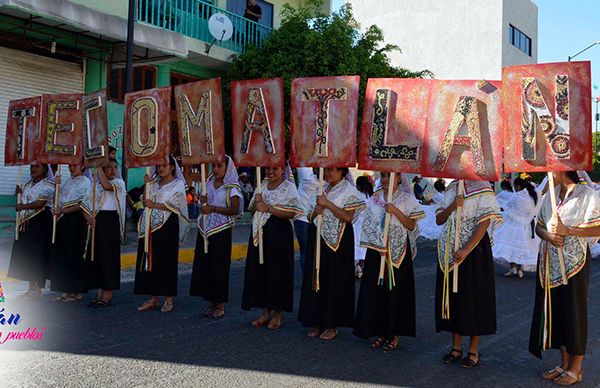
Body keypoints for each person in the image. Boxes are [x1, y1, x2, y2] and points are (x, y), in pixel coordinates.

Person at [529, 171, 600, 386]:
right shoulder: (551, 194)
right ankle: (564, 363)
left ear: (561, 171)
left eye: (551, 171)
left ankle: (576, 368)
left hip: (574, 264)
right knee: (557, 311)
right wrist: (549, 235)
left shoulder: (587, 195)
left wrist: (567, 230)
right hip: (550, 264)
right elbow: (538, 225)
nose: (548, 175)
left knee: (574, 312)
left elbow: (598, 227)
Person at [354, 172, 424, 351]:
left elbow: (411, 225)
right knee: (377, 291)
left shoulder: (407, 199)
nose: (385, 179)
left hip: (398, 251)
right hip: (377, 251)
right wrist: (378, 240)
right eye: (383, 176)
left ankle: (393, 333)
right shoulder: (375, 198)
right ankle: (380, 331)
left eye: (389, 176)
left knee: (395, 291)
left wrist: (395, 211)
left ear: (399, 177)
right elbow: (368, 222)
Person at [435, 180, 502, 368]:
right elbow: (439, 219)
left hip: (474, 251)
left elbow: (484, 222)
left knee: (474, 299)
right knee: (454, 297)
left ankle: (473, 351)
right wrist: (452, 206)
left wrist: (466, 249)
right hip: (449, 250)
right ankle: (456, 348)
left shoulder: (483, 189)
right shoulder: (451, 188)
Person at [298, 167, 365, 340]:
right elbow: (310, 216)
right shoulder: (321, 188)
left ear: (342, 171)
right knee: (317, 278)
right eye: (326, 170)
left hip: (339, 241)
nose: (328, 174)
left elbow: (348, 217)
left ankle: (332, 323)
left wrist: (327, 204)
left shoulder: (350, 191)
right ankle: (317, 320)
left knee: (334, 280)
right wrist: (316, 211)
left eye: (332, 170)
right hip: (317, 238)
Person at [242, 166, 304, 330]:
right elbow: (253, 207)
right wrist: (258, 203)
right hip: (260, 233)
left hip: (279, 233)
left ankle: (277, 314)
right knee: (260, 270)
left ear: (283, 169)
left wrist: (269, 208)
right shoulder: (262, 186)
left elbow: (294, 212)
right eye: (268, 169)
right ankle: (264, 312)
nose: (271, 172)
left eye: (275, 169)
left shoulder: (289, 187)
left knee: (278, 271)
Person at [190, 156, 243, 319]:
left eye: (220, 166)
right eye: (215, 165)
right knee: (206, 265)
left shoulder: (231, 188)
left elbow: (234, 209)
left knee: (219, 266)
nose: (216, 169)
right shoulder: (209, 184)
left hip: (221, 230)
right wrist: (204, 203)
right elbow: (203, 206)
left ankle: (220, 304)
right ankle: (211, 301)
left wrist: (213, 208)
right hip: (205, 228)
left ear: (228, 168)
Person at [134, 155, 189, 313]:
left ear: (172, 167)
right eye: (158, 166)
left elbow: (176, 205)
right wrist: (147, 185)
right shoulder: (153, 183)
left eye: (165, 165)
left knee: (166, 262)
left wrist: (155, 204)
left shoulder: (177, 184)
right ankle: (153, 298)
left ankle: (168, 299)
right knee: (150, 260)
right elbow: (145, 201)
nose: (161, 168)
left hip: (167, 226)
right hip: (150, 226)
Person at [82, 158, 126, 308]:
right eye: (108, 167)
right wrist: (88, 218)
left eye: (115, 167)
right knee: (98, 256)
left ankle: (107, 295)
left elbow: (107, 186)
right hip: (98, 220)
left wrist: (97, 166)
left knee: (109, 257)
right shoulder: (95, 185)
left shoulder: (119, 183)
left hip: (111, 222)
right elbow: (85, 204)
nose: (112, 170)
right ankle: (99, 293)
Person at [8, 164, 55, 299]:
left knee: (38, 254)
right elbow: (25, 198)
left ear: (45, 169)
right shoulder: (28, 184)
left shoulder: (49, 184)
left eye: (38, 166)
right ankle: (30, 287)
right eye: (32, 166)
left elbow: (40, 203)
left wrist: (23, 206)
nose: (33, 169)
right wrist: (20, 193)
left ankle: (37, 288)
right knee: (27, 255)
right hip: (26, 222)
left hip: (40, 222)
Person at [50, 165, 91, 303]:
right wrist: (57, 185)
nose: (72, 168)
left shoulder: (85, 181)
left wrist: (64, 211)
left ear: (82, 166)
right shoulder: (68, 181)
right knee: (63, 254)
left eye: (75, 165)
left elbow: (82, 204)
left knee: (74, 254)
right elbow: (59, 199)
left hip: (77, 220)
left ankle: (76, 292)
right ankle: (65, 289)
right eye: (70, 165)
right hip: (64, 220)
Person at [493, 176, 548, 278]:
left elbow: (507, 207)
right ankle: (519, 270)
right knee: (521, 249)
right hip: (529, 227)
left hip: (515, 226)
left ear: (518, 186)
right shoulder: (534, 195)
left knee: (512, 248)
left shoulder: (517, 197)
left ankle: (513, 268)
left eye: (515, 186)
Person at [294, 167, 319, 272]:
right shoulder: (327, 183)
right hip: (314, 219)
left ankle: (306, 276)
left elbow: (301, 159)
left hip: (301, 219)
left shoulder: (306, 177)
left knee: (304, 250)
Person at [354, 175, 373, 278]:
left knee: (356, 247)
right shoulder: (370, 197)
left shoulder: (358, 196)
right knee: (363, 248)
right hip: (365, 226)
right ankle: (360, 266)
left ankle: (356, 267)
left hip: (356, 225)